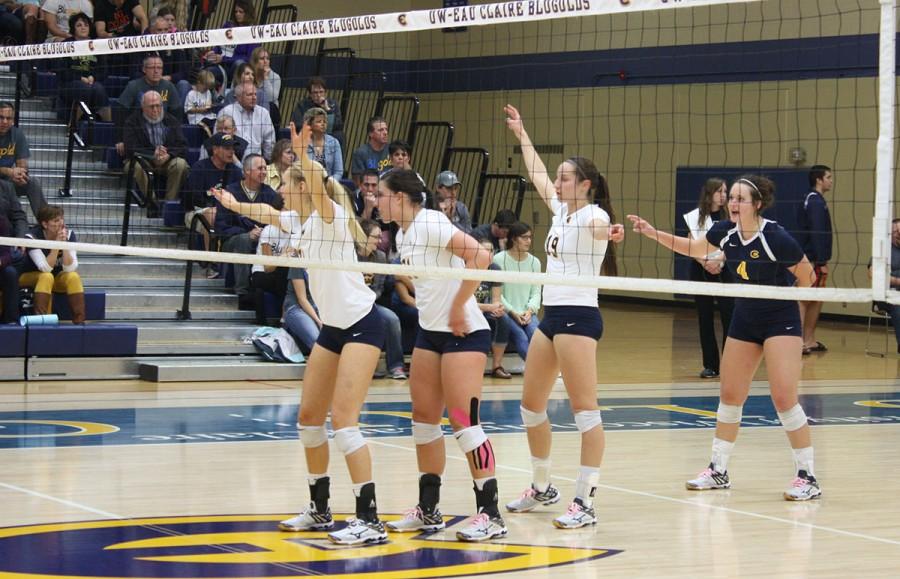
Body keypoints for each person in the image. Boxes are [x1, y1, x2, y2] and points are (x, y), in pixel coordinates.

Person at [216, 121, 388, 545]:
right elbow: (268, 214)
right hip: (333, 328)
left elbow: (315, 184)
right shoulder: (302, 221)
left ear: (304, 187)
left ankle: (370, 520)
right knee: (309, 420)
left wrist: (304, 156)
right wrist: (231, 202)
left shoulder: (330, 218)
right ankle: (321, 509)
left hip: (363, 325)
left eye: (288, 184)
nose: (281, 190)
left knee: (345, 423)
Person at [628, 175, 822, 501]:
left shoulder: (776, 237)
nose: (733, 203)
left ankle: (808, 476)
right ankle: (718, 470)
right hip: (745, 318)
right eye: (731, 197)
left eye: (741, 199)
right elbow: (692, 248)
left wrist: (791, 310)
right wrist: (652, 232)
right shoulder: (724, 233)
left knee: (784, 399)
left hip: (779, 320)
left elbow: (808, 276)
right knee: (730, 395)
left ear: (757, 204)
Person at [502, 104, 623, 529]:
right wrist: (522, 135)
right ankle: (542, 486)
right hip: (552, 317)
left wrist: (612, 234)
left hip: (579, 317)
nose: (556, 182)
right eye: (558, 177)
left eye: (565, 177)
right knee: (531, 406)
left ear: (584, 185)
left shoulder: (594, 214)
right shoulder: (561, 210)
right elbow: (536, 175)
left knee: (585, 411)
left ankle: (585, 501)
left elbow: (602, 229)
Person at [376, 169, 507, 542]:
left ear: (400, 196)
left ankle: (491, 514)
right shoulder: (404, 232)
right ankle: (430, 510)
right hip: (431, 333)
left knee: (465, 422)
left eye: (382, 194)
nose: (376, 200)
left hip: (464, 331)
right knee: (423, 419)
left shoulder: (431, 221)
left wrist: (459, 304)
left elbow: (481, 257)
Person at [683, 178, 734, 379]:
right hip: (700, 270)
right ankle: (711, 365)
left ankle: (730, 365)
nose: (723, 195)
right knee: (705, 318)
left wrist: (720, 261)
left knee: (729, 317)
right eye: (719, 191)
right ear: (709, 193)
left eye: (725, 191)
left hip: (725, 270)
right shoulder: (695, 217)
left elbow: (735, 242)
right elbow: (688, 242)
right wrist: (704, 262)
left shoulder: (730, 217)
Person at [214, 154, 278, 305]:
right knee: (244, 239)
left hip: (264, 240)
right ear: (247, 171)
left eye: (265, 168)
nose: (264, 172)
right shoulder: (229, 192)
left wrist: (264, 232)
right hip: (231, 242)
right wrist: (246, 233)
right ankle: (242, 292)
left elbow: (277, 220)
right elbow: (221, 227)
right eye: (260, 168)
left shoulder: (270, 194)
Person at [183, 132, 242, 277]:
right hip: (197, 214)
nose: (231, 152)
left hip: (229, 212)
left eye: (233, 148)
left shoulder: (235, 171)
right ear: (215, 150)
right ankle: (213, 264)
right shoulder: (200, 167)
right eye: (227, 148)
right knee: (213, 213)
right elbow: (191, 199)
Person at [357, 218, 407, 380]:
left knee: (391, 319)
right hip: (349, 305)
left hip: (370, 303)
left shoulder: (379, 256)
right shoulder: (349, 255)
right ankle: (363, 367)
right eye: (375, 237)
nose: (380, 241)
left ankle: (396, 366)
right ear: (363, 237)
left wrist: (368, 302)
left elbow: (378, 287)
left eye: (380, 237)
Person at [19, 205, 85, 324]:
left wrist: (64, 245)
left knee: (73, 276)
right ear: (45, 224)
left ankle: (79, 320)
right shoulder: (32, 237)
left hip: (54, 278)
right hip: (27, 276)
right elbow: (45, 268)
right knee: (46, 276)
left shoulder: (69, 235)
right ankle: (42, 320)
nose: (61, 224)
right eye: (56, 221)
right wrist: (56, 246)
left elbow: (70, 267)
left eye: (61, 219)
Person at [122, 91, 189, 206]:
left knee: (181, 164)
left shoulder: (171, 120)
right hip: (144, 161)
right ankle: (152, 203)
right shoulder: (132, 122)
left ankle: (169, 205)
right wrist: (152, 154)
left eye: (158, 106)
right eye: (151, 106)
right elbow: (130, 148)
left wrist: (169, 155)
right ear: (143, 107)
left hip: (167, 160)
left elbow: (182, 145)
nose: (155, 109)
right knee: (132, 166)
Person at [796, 165, 833, 356]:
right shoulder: (815, 201)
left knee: (816, 299)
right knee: (804, 299)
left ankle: (809, 339)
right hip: (810, 260)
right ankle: (799, 342)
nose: (831, 180)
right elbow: (817, 232)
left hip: (814, 258)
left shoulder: (817, 200)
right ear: (819, 180)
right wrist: (820, 261)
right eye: (828, 177)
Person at [493, 221, 542, 362]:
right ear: (514, 238)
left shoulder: (535, 262)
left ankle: (546, 368)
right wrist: (513, 312)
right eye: (524, 237)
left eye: (530, 237)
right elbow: (497, 294)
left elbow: (536, 292)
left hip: (527, 312)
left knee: (536, 334)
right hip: (507, 312)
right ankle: (538, 369)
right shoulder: (498, 259)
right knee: (521, 337)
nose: (529, 241)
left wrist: (530, 311)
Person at [57, 13, 112, 123]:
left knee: (99, 89)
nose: (83, 27)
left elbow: (104, 70)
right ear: (73, 28)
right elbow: (60, 70)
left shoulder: (96, 45)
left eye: (86, 25)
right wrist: (80, 78)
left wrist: (93, 77)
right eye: (79, 25)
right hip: (70, 83)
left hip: (92, 82)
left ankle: (106, 127)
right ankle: (73, 126)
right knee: (84, 89)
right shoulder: (66, 44)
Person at [0, 101, 46, 218]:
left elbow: (22, 164)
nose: (4, 121)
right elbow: (10, 172)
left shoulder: (17, 134)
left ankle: (47, 223)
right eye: (1, 117)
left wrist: (21, 174)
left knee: (32, 183)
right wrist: (9, 172)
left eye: (8, 118)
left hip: (7, 183)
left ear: (13, 120)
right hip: (5, 182)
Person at [473, 237, 510, 379]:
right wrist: (489, 307)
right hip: (466, 309)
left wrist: (498, 307)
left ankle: (497, 366)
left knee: (503, 319)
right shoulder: (467, 267)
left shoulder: (495, 269)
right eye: (484, 250)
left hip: (484, 309)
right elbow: (466, 303)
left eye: (491, 251)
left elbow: (496, 299)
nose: (488, 254)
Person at [218, 82, 275, 161]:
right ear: (239, 97)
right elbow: (218, 139)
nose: (254, 97)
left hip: (256, 163)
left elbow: (269, 142)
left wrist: (268, 163)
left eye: (255, 94)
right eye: (250, 95)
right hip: (232, 161)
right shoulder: (227, 112)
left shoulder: (263, 113)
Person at [868, 218, 900, 354]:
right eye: (896, 231)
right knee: (899, 307)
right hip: (887, 295)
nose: (899, 234)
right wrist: (897, 281)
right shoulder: (882, 250)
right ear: (890, 234)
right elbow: (872, 274)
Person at [290, 76, 344, 146]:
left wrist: (328, 110)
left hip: (328, 134)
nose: (318, 95)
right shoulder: (302, 105)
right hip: (311, 133)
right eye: (315, 93)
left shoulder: (333, 104)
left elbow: (338, 125)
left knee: (340, 135)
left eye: (321, 92)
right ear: (310, 94)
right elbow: (298, 124)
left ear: (325, 92)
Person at [303, 108, 343, 180]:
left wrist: (328, 183)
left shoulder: (334, 142)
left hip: (329, 185)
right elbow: (298, 170)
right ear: (310, 125)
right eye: (319, 121)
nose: (323, 124)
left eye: (324, 121)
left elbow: (338, 172)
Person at [184, 70, 217, 137]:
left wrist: (209, 106)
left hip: (208, 116)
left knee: (217, 122)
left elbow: (208, 104)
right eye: (205, 88)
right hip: (196, 118)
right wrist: (200, 110)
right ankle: (211, 141)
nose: (206, 90)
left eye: (208, 88)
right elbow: (187, 110)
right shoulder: (191, 94)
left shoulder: (208, 92)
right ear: (199, 83)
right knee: (206, 126)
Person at [0, 214, 17, 324]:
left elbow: (7, 254)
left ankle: (10, 320)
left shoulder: (1, 221)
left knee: (10, 273)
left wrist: (1, 261)